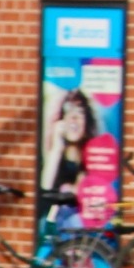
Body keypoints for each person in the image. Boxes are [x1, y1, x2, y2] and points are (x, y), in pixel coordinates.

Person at [43, 88, 96, 229]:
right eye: (69, 112)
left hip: (78, 218)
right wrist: (57, 148)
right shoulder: (56, 151)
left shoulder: (89, 154)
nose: (74, 118)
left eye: (80, 112)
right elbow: (45, 187)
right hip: (53, 219)